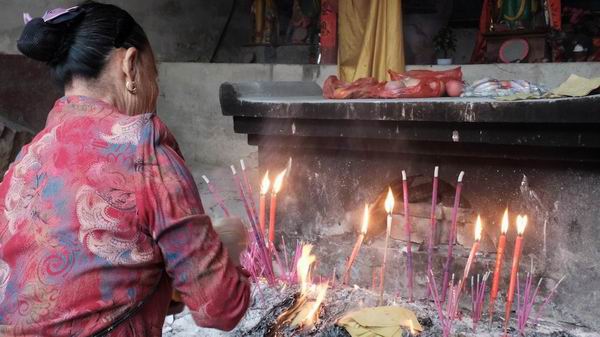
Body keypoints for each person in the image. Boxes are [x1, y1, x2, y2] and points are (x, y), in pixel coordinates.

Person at [0, 2, 250, 336]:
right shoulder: (145, 149)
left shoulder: (24, 161)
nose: (156, 90)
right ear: (130, 66)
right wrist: (227, 253)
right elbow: (221, 308)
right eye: (154, 75)